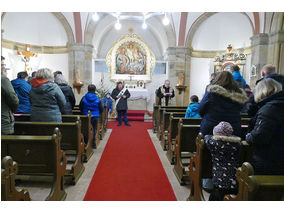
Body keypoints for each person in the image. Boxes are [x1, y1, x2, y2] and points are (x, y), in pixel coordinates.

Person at [246, 78, 284, 175]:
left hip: (271, 160)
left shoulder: (269, 109)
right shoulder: (278, 105)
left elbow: (259, 137)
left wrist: (249, 136)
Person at [199, 71, 248, 137]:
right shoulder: (240, 96)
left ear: (217, 79)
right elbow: (241, 109)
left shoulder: (212, 93)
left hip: (211, 127)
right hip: (233, 128)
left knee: (207, 145)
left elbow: (200, 109)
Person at [205, 121, 241, 201]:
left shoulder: (214, 144)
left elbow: (206, 138)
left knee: (217, 197)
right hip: (234, 179)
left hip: (219, 179)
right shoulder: (237, 144)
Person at [79, 84, 103, 148]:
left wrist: (83, 112)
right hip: (95, 116)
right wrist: (98, 113)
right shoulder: (97, 98)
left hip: (86, 116)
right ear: (95, 90)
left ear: (88, 90)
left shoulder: (84, 98)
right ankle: (93, 143)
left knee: (86, 129)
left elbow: (80, 107)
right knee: (94, 129)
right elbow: (101, 108)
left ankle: (86, 143)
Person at [1, 56, 19, 134]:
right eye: (2, 65)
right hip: (3, 120)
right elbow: (13, 98)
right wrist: (14, 110)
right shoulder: (3, 79)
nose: (3, 67)